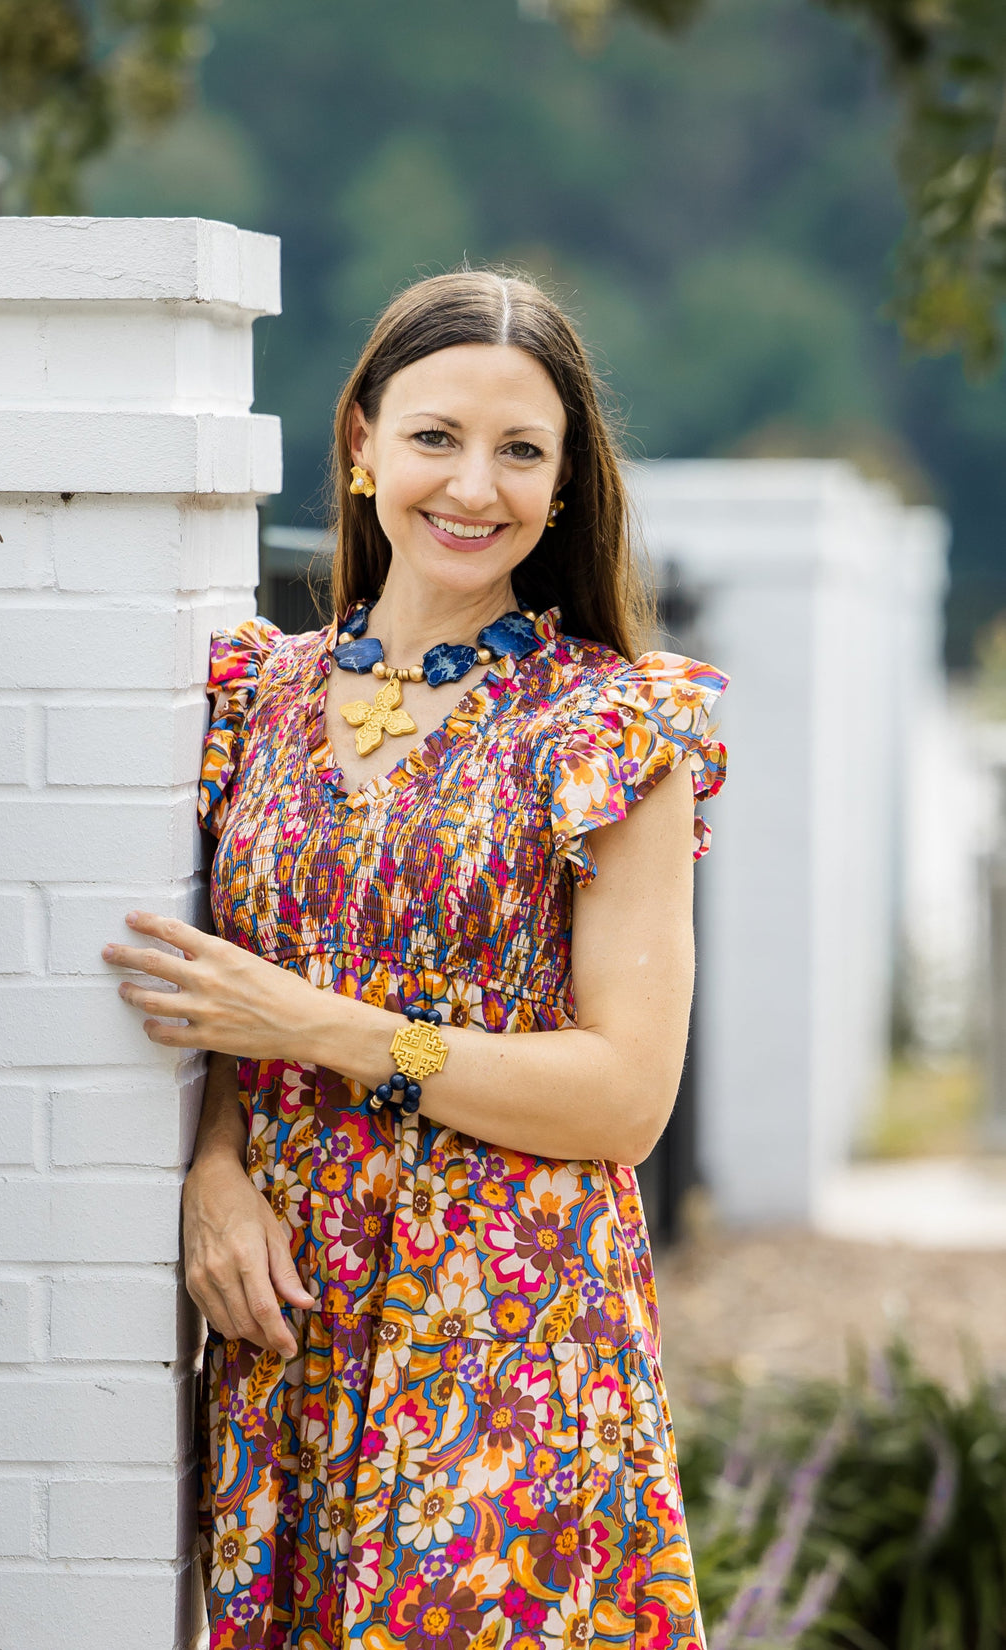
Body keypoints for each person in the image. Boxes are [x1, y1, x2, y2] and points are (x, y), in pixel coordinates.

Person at [102, 269, 726, 1650]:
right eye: (438, 435)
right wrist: (214, 1170)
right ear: (363, 440)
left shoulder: (611, 729)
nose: (474, 485)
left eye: (522, 450)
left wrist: (331, 1030)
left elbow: (626, 1096)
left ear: (565, 489)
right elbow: (228, 1001)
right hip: (297, 1317)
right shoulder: (250, 703)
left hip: (506, 1319)